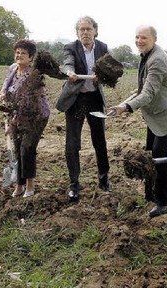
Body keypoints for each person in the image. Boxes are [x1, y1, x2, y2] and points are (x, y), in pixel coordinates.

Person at [111, 25, 167, 218]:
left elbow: (148, 93)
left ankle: (163, 202)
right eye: (137, 37)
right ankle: (150, 194)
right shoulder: (146, 55)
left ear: (154, 39)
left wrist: (126, 108)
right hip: (154, 113)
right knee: (149, 152)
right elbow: (142, 88)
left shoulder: (158, 60)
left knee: (160, 155)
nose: (139, 41)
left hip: (166, 114)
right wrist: (124, 102)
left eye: (144, 37)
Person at [56, 16, 111, 201]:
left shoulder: (102, 48)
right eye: (82, 29)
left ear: (95, 30)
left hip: (95, 98)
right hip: (76, 99)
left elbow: (108, 68)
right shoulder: (71, 47)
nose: (85, 33)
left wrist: (102, 75)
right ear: (78, 32)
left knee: (100, 141)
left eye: (88, 29)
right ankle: (74, 185)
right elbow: (68, 63)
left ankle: (104, 181)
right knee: (72, 143)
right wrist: (70, 72)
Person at [0, 39, 50, 198]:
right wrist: (2, 95)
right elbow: (6, 86)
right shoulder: (13, 69)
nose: (19, 55)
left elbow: (28, 101)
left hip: (35, 116)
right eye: (17, 52)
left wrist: (15, 119)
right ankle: (19, 185)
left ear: (31, 57)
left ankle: (30, 185)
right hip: (16, 114)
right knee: (17, 147)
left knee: (27, 149)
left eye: (23, 53)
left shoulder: (34, 75)